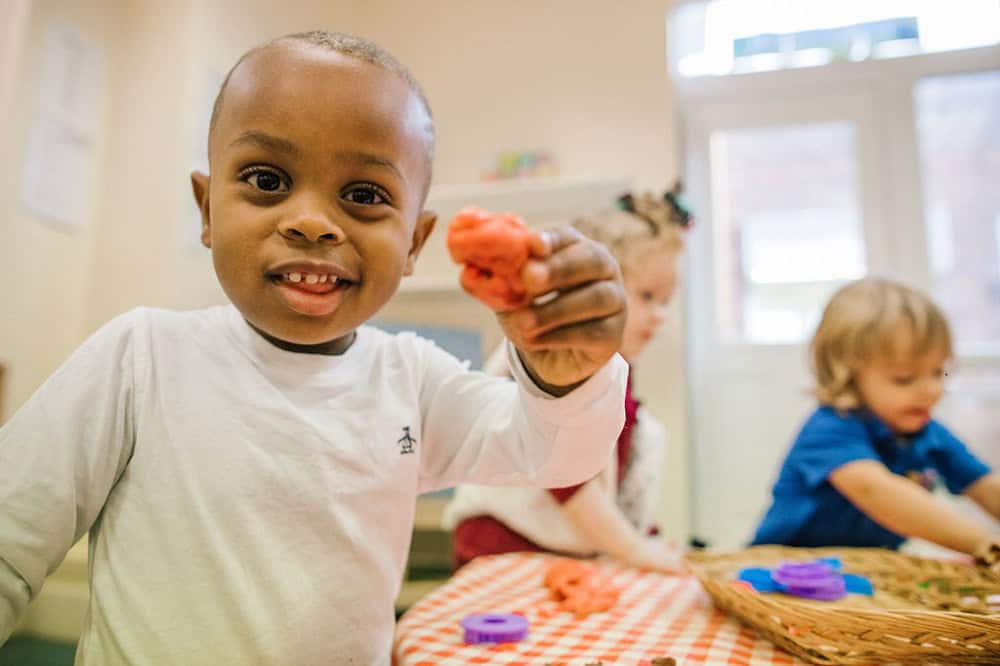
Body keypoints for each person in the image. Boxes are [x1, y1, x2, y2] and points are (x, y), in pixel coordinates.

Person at [0, 31, 632, 664]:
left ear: (414, 242)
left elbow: (551, 453)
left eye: (363, 195)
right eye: (267, 179)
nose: (311, 221)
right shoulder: (140, 359)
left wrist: (565, 375)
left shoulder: (413, 382)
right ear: (208, 209)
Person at [443, 186, 692, 573]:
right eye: (647, 296)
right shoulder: (561, 359)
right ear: (593, 290)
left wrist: (641, 535)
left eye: (665, 300)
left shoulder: (617, 369)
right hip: (503, 542)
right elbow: (568, 483)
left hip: (559, 548)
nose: (660, 315)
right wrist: (635, 550)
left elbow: (613, 476)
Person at [752, 278, 1000, 571]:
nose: (931, 389)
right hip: (785, 573)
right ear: (847, 374)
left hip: (865, 577)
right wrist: (986, 543)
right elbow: (877, 491)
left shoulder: (929, 434)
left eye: (938, 372)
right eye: (904, 378)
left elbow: (986, 486)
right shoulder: (830, 429)